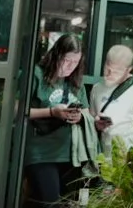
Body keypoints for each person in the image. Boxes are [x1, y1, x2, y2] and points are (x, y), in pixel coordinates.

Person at [23, 34, 93, 207]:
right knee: (50, 202)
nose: (70, 66)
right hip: (41, 153)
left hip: (71, 155)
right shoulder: (37, 74)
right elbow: (16, 109)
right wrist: (52, 112)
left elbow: (86, 113)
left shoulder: (76, 81)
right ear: (56, 54)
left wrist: (79, 116)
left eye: (75, 62)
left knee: (63, 204)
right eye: (67, 60)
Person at [90, 44, 133, 156]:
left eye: (116, 71)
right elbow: (90, 123)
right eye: (107, 69)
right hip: (105, 158)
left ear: (128, 70)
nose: (110, 74)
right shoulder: (97, 88)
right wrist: (97, 124)